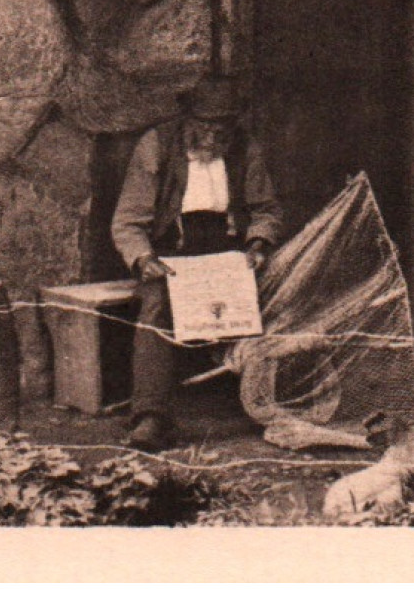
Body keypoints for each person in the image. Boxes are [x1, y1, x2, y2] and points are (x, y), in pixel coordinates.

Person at [111, 74, 286, 451]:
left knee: (277, 292)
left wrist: (257, 245)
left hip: (228, 250)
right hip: (171, 252)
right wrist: (144, 259)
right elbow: (127, 222)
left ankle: (266, 402)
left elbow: (266, 210)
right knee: (157, 305)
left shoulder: (245, 148)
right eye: (205, 123)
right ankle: (150, 416)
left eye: (222, 125)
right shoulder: (156, 146)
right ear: (188, 118)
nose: (212, 134)